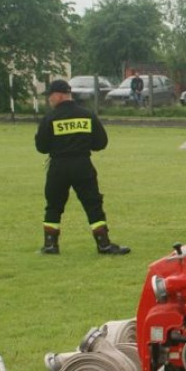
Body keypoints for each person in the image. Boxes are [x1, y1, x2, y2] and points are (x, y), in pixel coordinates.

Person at [34, 79, 130, 255]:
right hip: (82, 165)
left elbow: (41, 147)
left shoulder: (50, 118)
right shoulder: (87, 115)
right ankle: (104, 244)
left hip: (58, 167)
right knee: (93, 204)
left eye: (50, 96)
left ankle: (50, 245)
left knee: (54, 205)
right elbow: (101, 143)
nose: (49, 100)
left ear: (60, 95)